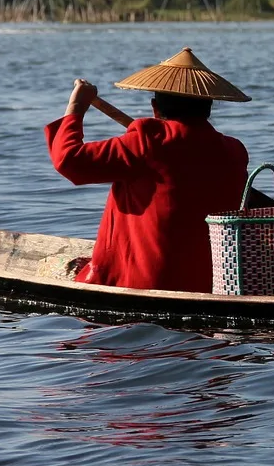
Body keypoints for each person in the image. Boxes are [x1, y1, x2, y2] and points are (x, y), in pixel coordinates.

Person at [45, 47, 250, 292]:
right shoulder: (234, 150)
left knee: (51, 267)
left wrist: (76, 107)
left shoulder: (147, 142)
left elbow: (68, 161)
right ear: (208, 109)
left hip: (142, 282)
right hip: (209, 283)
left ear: (155, 108)